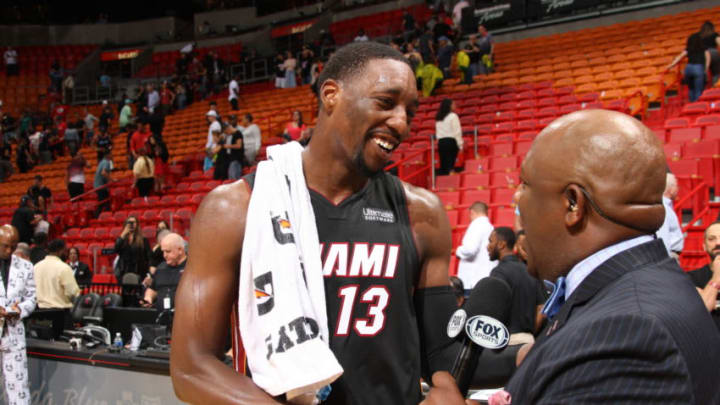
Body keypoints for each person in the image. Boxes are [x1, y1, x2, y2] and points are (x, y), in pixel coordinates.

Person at [170, 42, 459, 404]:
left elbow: (441, 351)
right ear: (331, 95)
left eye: (410, 112)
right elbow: (191, 366)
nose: (401, 123)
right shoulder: (235, 208)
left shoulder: (423, 213)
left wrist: (446, 388)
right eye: (386, 103)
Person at [423, 109, 720, 404]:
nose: (516, 199)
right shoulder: (649, 286)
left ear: (572, 204)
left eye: (526, 184)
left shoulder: (625, 334)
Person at [487, 227, 545, 344]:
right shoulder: (530, 271)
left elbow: (494, 308)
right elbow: (542, 308)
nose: (488, 246)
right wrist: (530, 333)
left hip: (506, 342)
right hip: (528, 341)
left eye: (491, 241)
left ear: (501, 244)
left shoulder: (498, 272)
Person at [0, 225, 36, 405]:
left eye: (13, 246)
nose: (9, 250)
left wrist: (20, 310)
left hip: (14, 334)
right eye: (5, 246)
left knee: (19, 389)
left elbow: (32, 298)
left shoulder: (26, 266)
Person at [142, 233, 187, 317]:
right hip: (161, 319)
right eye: (163, 251)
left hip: (183, 319)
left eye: (168, 251)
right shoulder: (161, 267)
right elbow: (153, 289)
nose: (164, 255)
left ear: (180, 250)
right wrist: (148, 298)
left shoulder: (191, 268)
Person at [686, 221, 720, 331]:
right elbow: (703, 309)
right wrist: (717, 277)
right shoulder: (692, 277)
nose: (718, 243)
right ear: (704, 246)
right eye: (711, 239)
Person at [455, 202, 495, 294]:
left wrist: (458, 252)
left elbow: (470, 249)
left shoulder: (476, 225)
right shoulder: (490, 227)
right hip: (483, 279)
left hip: (472, 281)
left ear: (472, 212)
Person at [668, 23, 712, 102]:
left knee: (691, 89)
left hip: (688, 69)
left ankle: (692, 104)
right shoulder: (703, 48)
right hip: (698, 68)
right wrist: (706, 69)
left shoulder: (689, 49)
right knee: (698, 90)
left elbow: (679, 57)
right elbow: (708, 58)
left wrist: (671, 65)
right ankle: (698, 106)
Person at [34, 239, 80, 309]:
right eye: (65, 251)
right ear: (60, 251)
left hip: (38, 311)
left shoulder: (36, 267)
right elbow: (72, 292)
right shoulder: (64, 267)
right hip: (59, 312)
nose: (66, 254)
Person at [114, 216, 151, 284]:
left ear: (137, 224)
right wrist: (123, 234)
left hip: (139, 271)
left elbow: (148, 256)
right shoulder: (123, 239)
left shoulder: (143, 240)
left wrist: (149, 272)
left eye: (133, 222)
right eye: (129, 222)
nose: (131, 224)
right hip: (124, 271)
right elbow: (116, 249)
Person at [656, 172, 684, 258]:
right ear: (671, 189)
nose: (678, 189)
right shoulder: (663, 208)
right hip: (668, 255)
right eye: (676, 186)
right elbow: (663, 236)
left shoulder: (665, 206)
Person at [435, 98, 463, 175]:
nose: (455, 105)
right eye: (453, 104)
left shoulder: (439, 117)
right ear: (449, 106)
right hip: (450, 141)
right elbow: (457, 131)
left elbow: (438, 132)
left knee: (444, 164)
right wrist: (460, 145)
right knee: (450, 164)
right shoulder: (453, 116)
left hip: (441, 142)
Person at [94, 148, 113, 215]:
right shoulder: (106, 162)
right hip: (101, 187)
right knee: (103, 203)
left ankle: (107, 215)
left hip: (98, 186)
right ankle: (97, 216)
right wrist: (111, 179)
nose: (112, 155)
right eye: (111, 154)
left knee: (105, 203)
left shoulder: (102, 162)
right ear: (108, 155)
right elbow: (103, 173)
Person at [701, 21, 720, 87]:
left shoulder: (700, 37)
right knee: (716, 72)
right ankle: (716, 87)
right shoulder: (714, 34)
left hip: (703, 54)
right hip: (713, 52)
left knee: (704, 70)